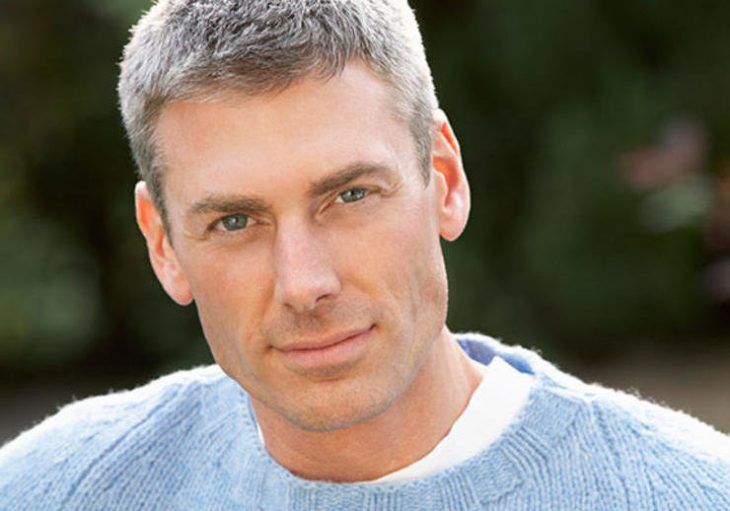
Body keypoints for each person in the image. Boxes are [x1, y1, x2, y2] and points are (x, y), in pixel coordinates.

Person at [1, 0, 728, 509]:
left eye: (350, 195)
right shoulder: (51, 489)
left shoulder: (687, 493)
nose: (304, 283)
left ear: (444, 179)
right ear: (163, 244)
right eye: (234, 220)